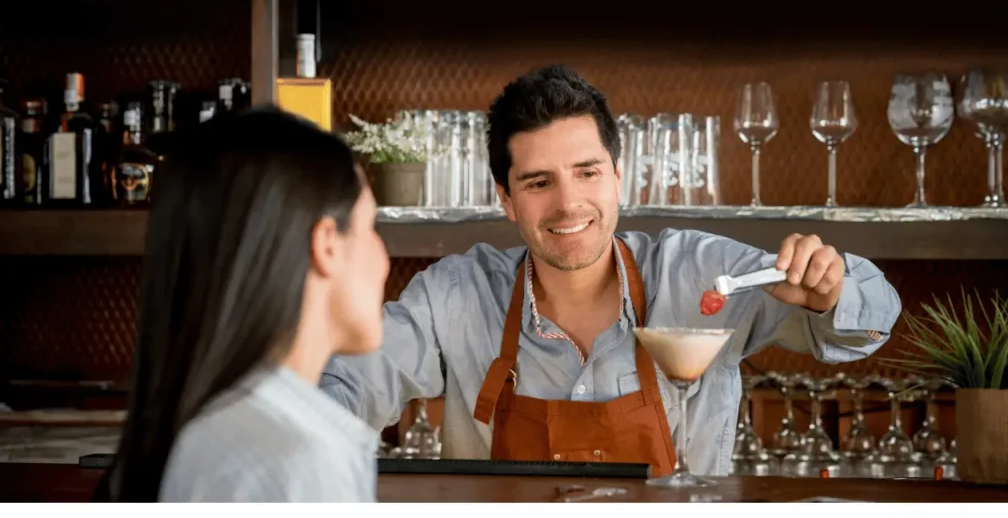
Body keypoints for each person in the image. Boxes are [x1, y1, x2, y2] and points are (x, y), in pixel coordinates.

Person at [319, 65, 901, 477]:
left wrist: (829, 289)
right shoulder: (456, 294)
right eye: (539, 182)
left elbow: (869, 324)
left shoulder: (699, 271)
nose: (569, 204)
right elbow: (351, 382)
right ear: (506, 199)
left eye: (588, 172)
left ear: (618, 176)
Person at [99, 107, 390, 502]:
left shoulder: (205, 431)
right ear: (326, 245)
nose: (383, 258)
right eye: (371, 227)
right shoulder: (298, 459)